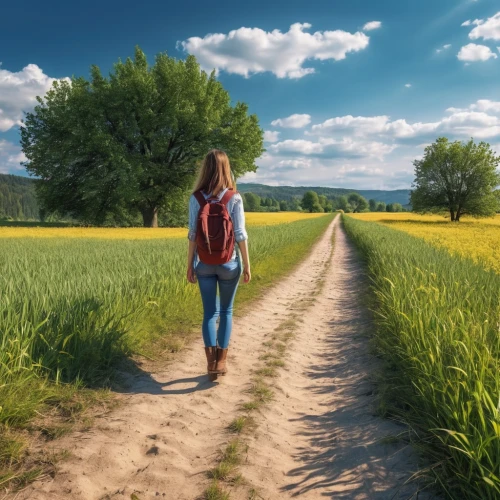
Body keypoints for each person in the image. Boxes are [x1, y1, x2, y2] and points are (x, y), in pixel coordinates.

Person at [186, 149, 251, 379]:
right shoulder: (234, 197)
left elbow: (192, 234)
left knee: (209, 314)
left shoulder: (196, 197)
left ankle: (210, 363)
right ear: (226, 168)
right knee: (226, 311)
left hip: (203, 263)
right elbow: (241, 233)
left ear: (205, 169)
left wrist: (189, 265)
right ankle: (220, 364)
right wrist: (246, 265)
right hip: (228, 263)